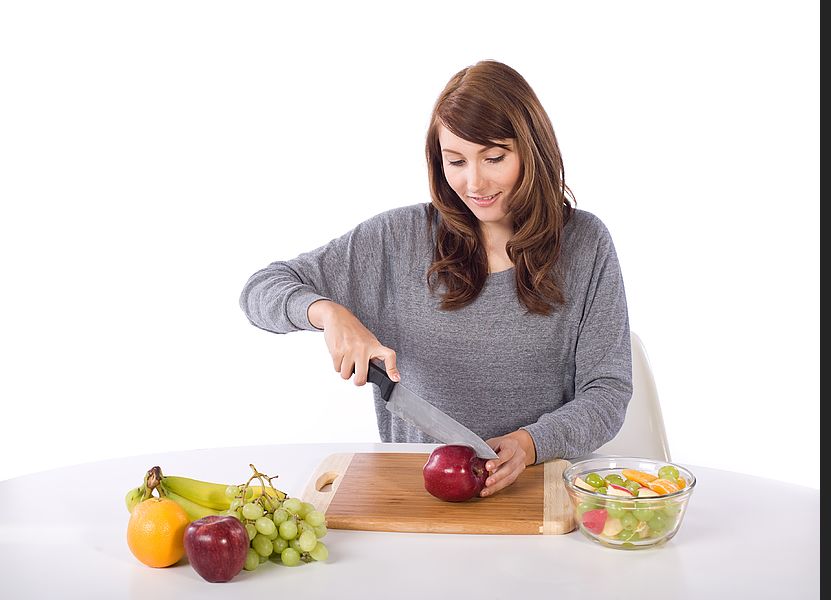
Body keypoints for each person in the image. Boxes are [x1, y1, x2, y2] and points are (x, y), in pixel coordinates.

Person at [239, 60, 632, 498]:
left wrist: (530, 444)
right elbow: (261, 289)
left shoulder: (586, 244)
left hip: (539, 494)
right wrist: (325, 312)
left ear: (532, 150)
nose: (474, 182)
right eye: (456, 161)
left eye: (494, 157)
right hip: (416, 498)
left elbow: (608, 393)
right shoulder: (396, 239)